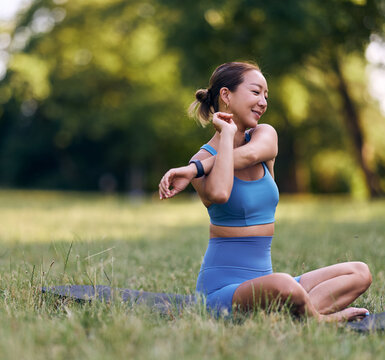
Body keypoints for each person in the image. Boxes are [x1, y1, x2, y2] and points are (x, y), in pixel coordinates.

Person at [158, 62, 372, 321]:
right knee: (283, 284)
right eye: (256, 92)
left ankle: (294, 315)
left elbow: (249, 155)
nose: (263, 102)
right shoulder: (202, 156)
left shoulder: (263, 135)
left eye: (266, 95)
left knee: (359, 272)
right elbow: (220, 193)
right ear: (226, 95)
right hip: (223, 293)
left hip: (269, 286)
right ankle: (319, 320)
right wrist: (225, 134)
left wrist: (195, 170)